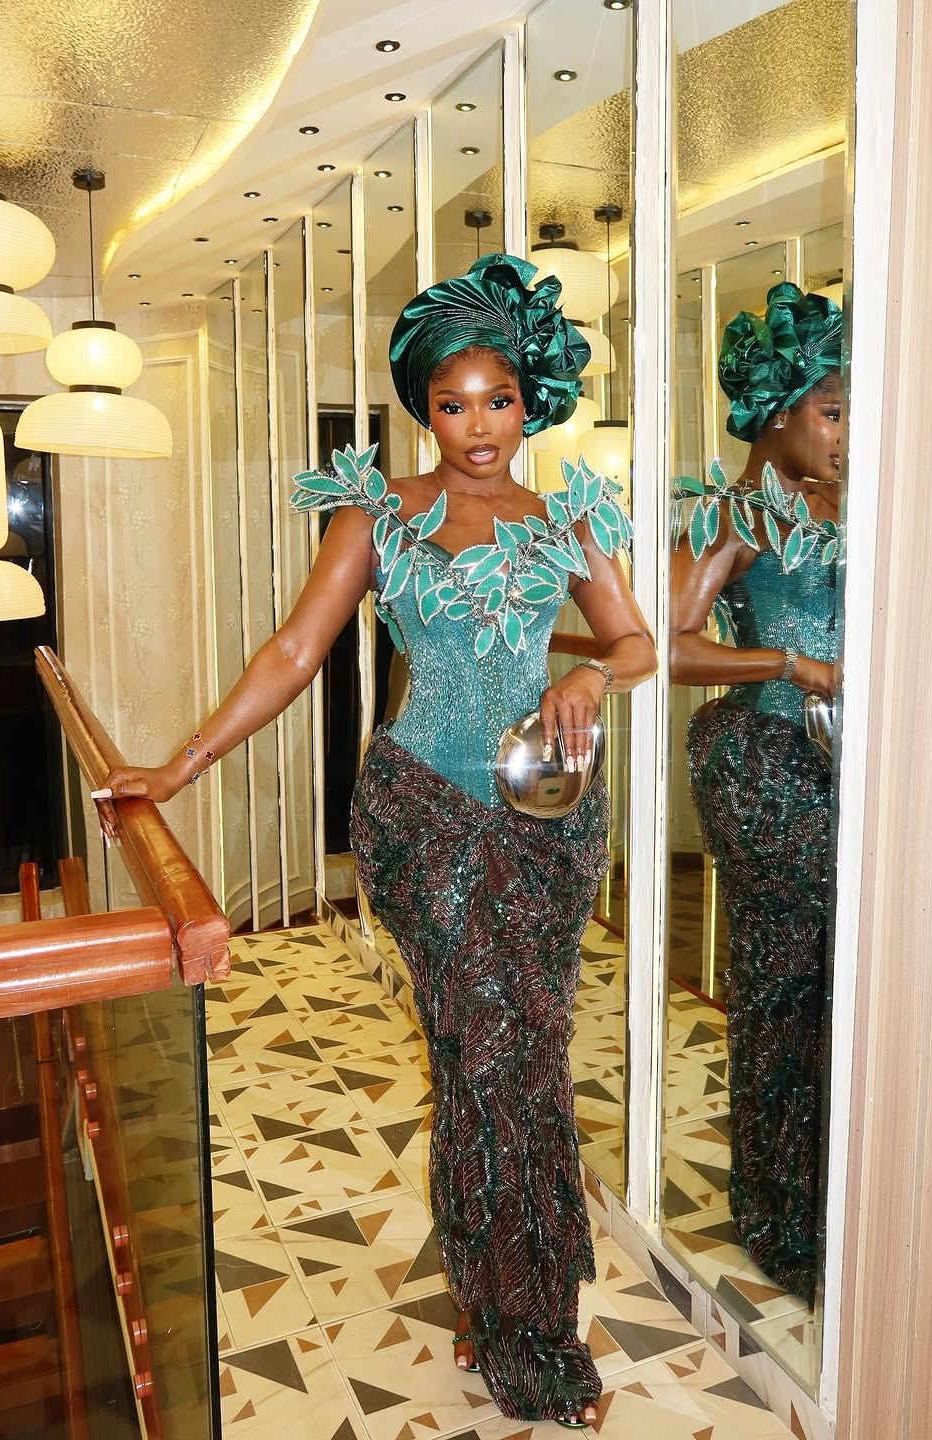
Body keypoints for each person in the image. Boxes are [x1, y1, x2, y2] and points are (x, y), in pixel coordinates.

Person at [96, 254, 657, 1426]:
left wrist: (591, 678)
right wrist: (181, 766)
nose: (477, 426)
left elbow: (637, 641)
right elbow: (294, 652)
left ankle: (503, 1289)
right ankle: (530, 1332)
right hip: (424, 818)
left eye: (497, 400)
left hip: (548, 823)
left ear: (529, 402)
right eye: (451, 404)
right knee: (488, 1053)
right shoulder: (380, 513)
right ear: (423, 410)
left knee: (519, 1055)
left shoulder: (566, 520)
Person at [669, 281, 842, 1303]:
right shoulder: (738, 513)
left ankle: (838, 1198)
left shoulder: (856, 507)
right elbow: (669, 645)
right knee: (783, 985)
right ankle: (780, 1214)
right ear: (778, 416)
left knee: (846, 987)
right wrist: (791, 665)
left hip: (860, 768)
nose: (846, 434)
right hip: (768, 766)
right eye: (832, 412)